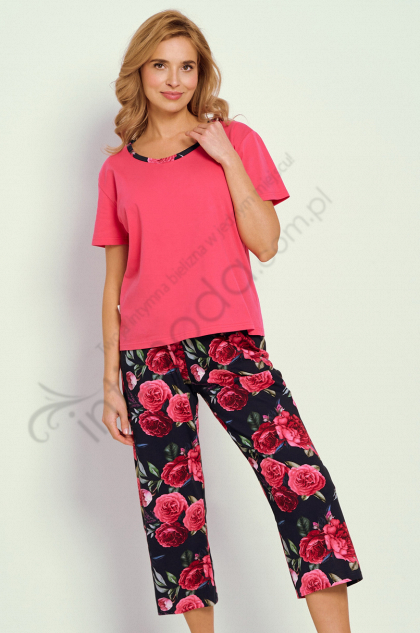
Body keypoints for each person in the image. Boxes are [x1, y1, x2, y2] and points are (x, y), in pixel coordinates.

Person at [91, 9, 363, 633]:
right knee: (173, 513)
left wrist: (227, 159)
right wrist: (111, 382)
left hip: (229, 342)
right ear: (139, 72)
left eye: (187, 66)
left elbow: (265, 242)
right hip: (147, 358)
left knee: (301, 485)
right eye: (161, 65)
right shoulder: (117, 170)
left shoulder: (235, 139)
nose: (174, 79)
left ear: (201, 73)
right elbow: (114, 284)